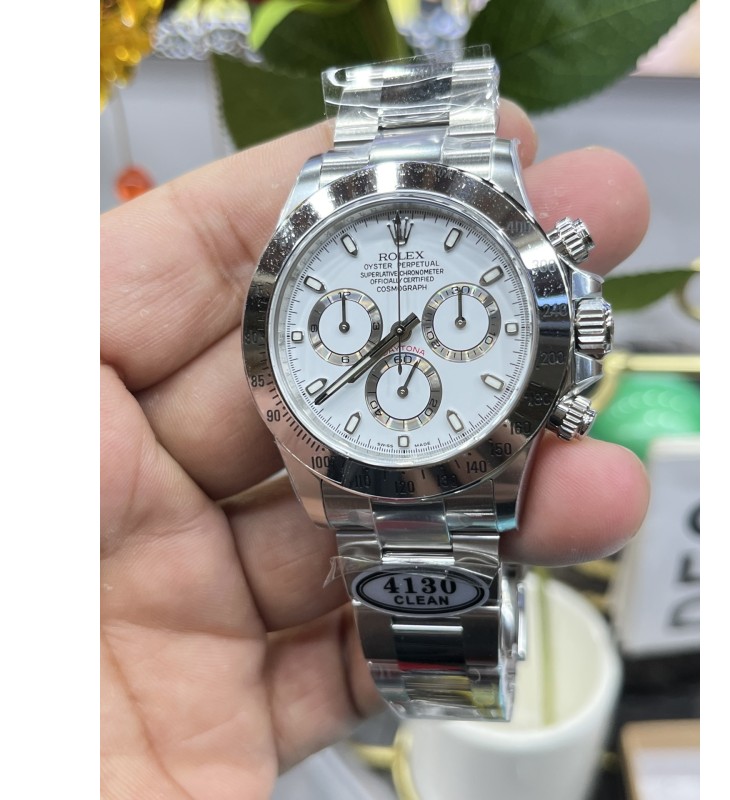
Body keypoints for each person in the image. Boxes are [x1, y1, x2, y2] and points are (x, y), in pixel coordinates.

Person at [100, 100, 650, 799]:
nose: (398, 339)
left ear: (576, 327)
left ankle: (456, 680)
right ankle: (447, 684)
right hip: (361, 457)